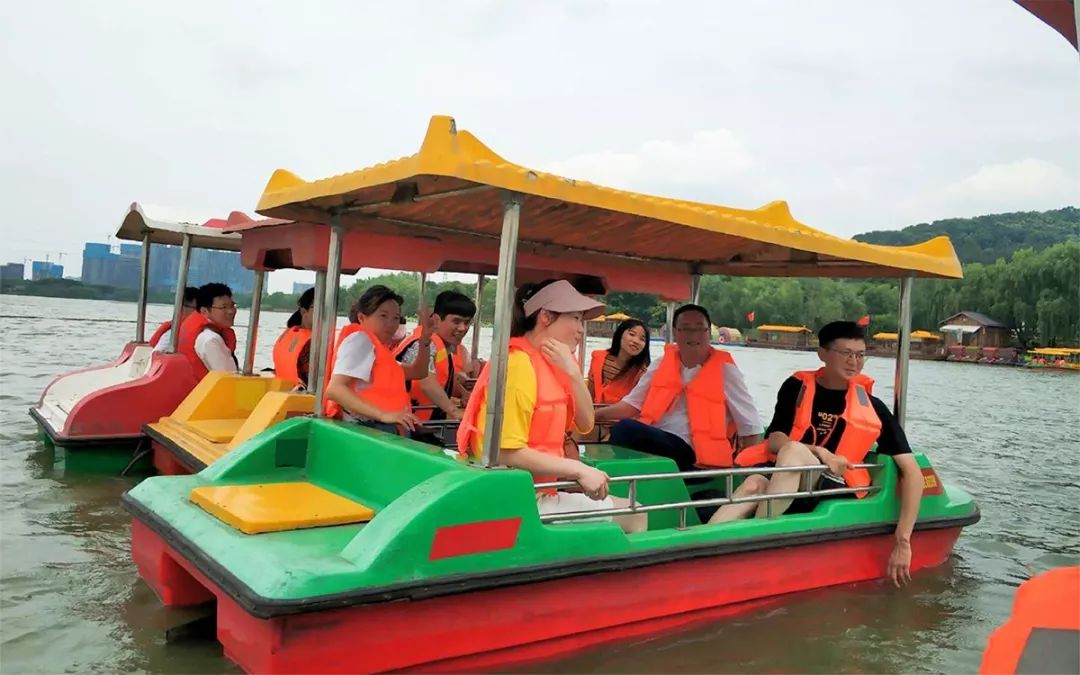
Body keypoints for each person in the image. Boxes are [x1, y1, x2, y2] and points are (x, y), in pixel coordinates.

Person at [710, 321, 922, 586]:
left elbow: (913, 473)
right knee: (755, 482)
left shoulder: (873, 407)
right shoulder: (796, 388)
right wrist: (821, 451)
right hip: (787, 476)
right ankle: (699, 545)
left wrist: (903, 541)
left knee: (794, 452)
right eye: (846, 353)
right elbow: (776, 439)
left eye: (859, 355)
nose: (853, 362)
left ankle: (756, 541)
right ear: (823, 353)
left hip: (830, 485)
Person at [457, 279, 646, 533]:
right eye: (576, 318)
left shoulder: (554, 364)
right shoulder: (518, 364)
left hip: (536, 491)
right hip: (516, 499)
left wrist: (573, 373)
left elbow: (586, 422)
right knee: (636, 513)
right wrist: (577, 469)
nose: (581, 329)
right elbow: (504, 451)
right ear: (546, 316)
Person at [595, 304, 762, 472]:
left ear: (708, 333)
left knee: (626, 429)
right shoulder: (661, 364)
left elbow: (750, 426)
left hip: (694, 455)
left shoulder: (726, 371)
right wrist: (592, 416)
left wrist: (744, 472)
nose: (693, 335)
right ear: (675, 333)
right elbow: (631, 405)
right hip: (657, 440)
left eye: (700, 329)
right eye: (686, 329)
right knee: (622, 431)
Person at [325, 285, 431, 435]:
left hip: (379, 429)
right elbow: (335, 389)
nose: (391, 324)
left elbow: (418, 371)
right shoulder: (360, 340)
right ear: (362, 317)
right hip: (367, 428)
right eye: (383, 316)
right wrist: (384, 415)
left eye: (396, 318)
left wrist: (425, 340)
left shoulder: (378, 349)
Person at [395, 290, 476, 421]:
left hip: (423, 421)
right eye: (456, 321)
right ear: (437, 320)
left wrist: (464, 395)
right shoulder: (425, 343)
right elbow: (426, 383)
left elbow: (443, 378)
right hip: (407, 421)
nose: (462, 328)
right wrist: (454, 411)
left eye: (467, 323)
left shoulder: (444, 346)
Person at [176, 282, 238, 378]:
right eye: (224, 307)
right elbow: (229, 379)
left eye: (232, 306)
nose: (231, 311)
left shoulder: (204, 333)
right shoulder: (210, 339)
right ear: (204, 311)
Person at [588, 318, 650, 404]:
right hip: (592, 412)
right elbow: (589, 394)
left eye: (642, 339)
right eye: (632, 334)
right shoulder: (598, 357)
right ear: (620, 334)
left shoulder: (641, 372)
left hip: (620, 415)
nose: (636, 341)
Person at [272, 287, 314, 388]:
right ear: (304, 311)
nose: (327, 314)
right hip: (305, 399)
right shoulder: (311, 344)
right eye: (320, 308)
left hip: (284, 396)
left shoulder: (288, 334)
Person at [150, 286, 198, 352]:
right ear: (182, 307)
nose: (201, 313)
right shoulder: (172, 334)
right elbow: (158, 354)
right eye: (197, 308)